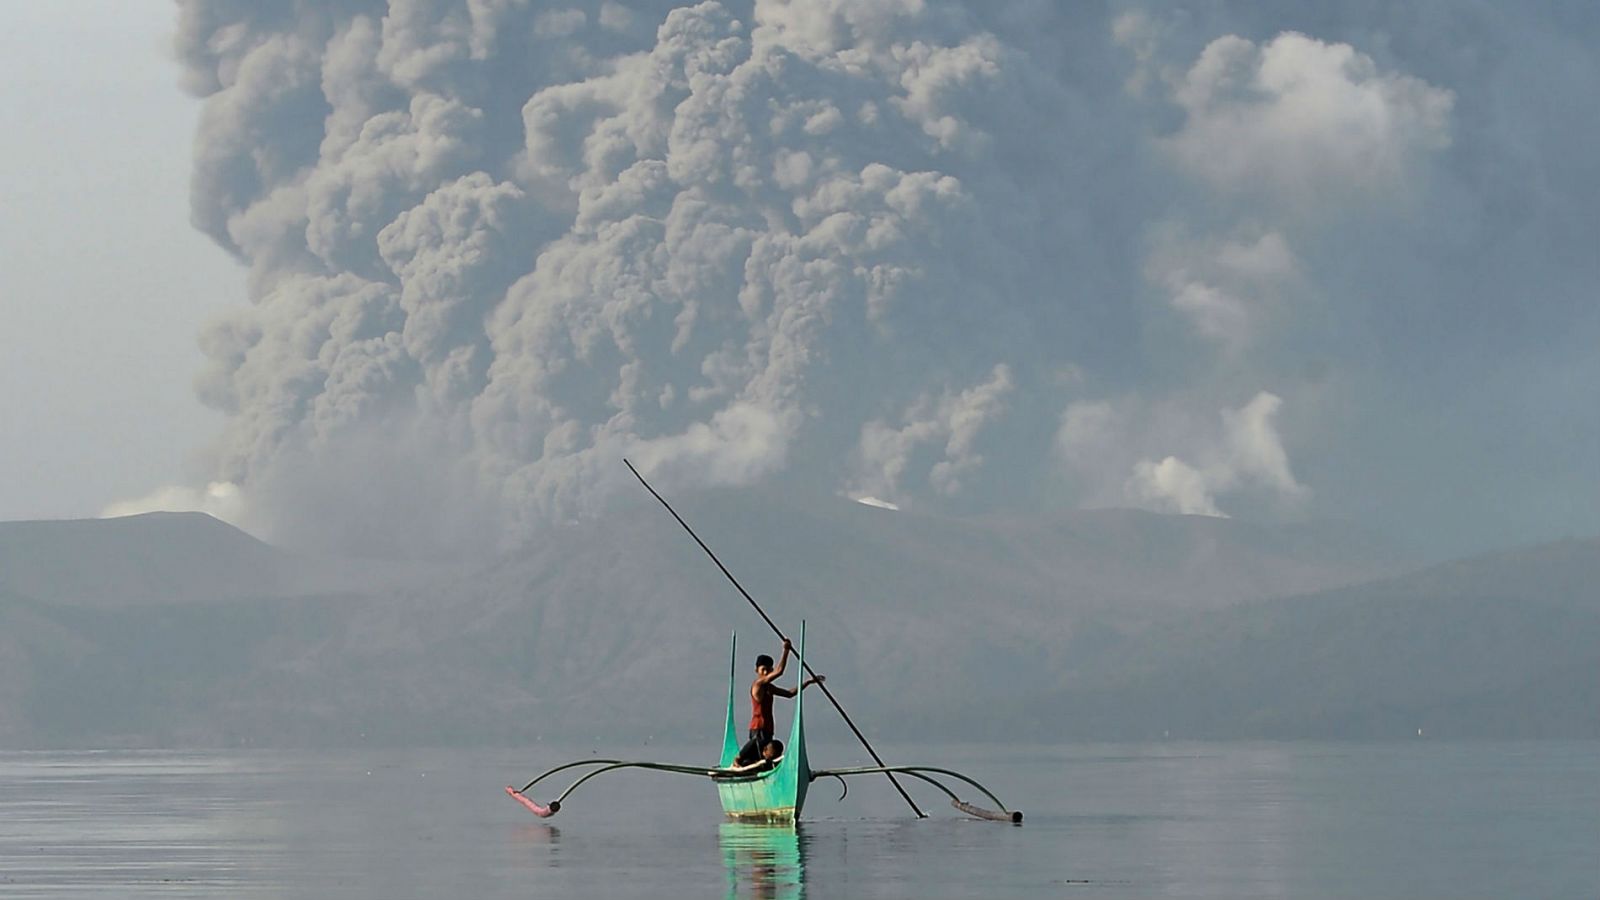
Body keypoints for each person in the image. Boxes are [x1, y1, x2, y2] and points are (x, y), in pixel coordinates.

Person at [735, 638, 823, 766]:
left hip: (768, 728)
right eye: (763, 669)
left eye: (768, 670)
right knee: (759, 749)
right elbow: (780, 671)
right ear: (757, 670)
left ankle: (751, 764)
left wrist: (808, 682)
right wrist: (786, 651)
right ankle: (738, 759)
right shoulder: (758, 685)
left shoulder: (770, 688)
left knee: (766, 755)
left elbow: (790, 694)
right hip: (758, 728)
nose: (766, 672)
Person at [715, 738, 785, 776]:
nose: (772, 758)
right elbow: (736, 760)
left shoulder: (776, 756)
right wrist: (739, 767)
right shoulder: (753, 745)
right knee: (746, 762)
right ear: (765, 750)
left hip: (762, 770)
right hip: (747, 768)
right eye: (771, 757)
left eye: (775, 757)